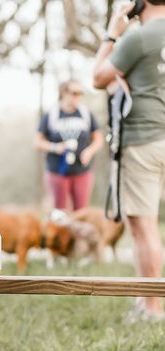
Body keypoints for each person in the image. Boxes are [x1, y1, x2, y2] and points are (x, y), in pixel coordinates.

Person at [93, 0, 165, 322]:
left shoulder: (139, 37)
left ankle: (152, 308)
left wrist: (111, 34)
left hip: (144, 140)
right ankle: (143, 299)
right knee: (142, 229)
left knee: (143, 227)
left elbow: (98, 77)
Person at [34, 80, 103, 211]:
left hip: (82, 172)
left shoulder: (86, 114)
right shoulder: (51, 115)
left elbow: (98, 139)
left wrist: (89, 151)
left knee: (81, 212)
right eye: (74, 93)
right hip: (57, 172)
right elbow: (37, 142)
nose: (77, 96)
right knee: (58, 212)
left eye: (80, 93)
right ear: (64, 93)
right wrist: (55, 147)